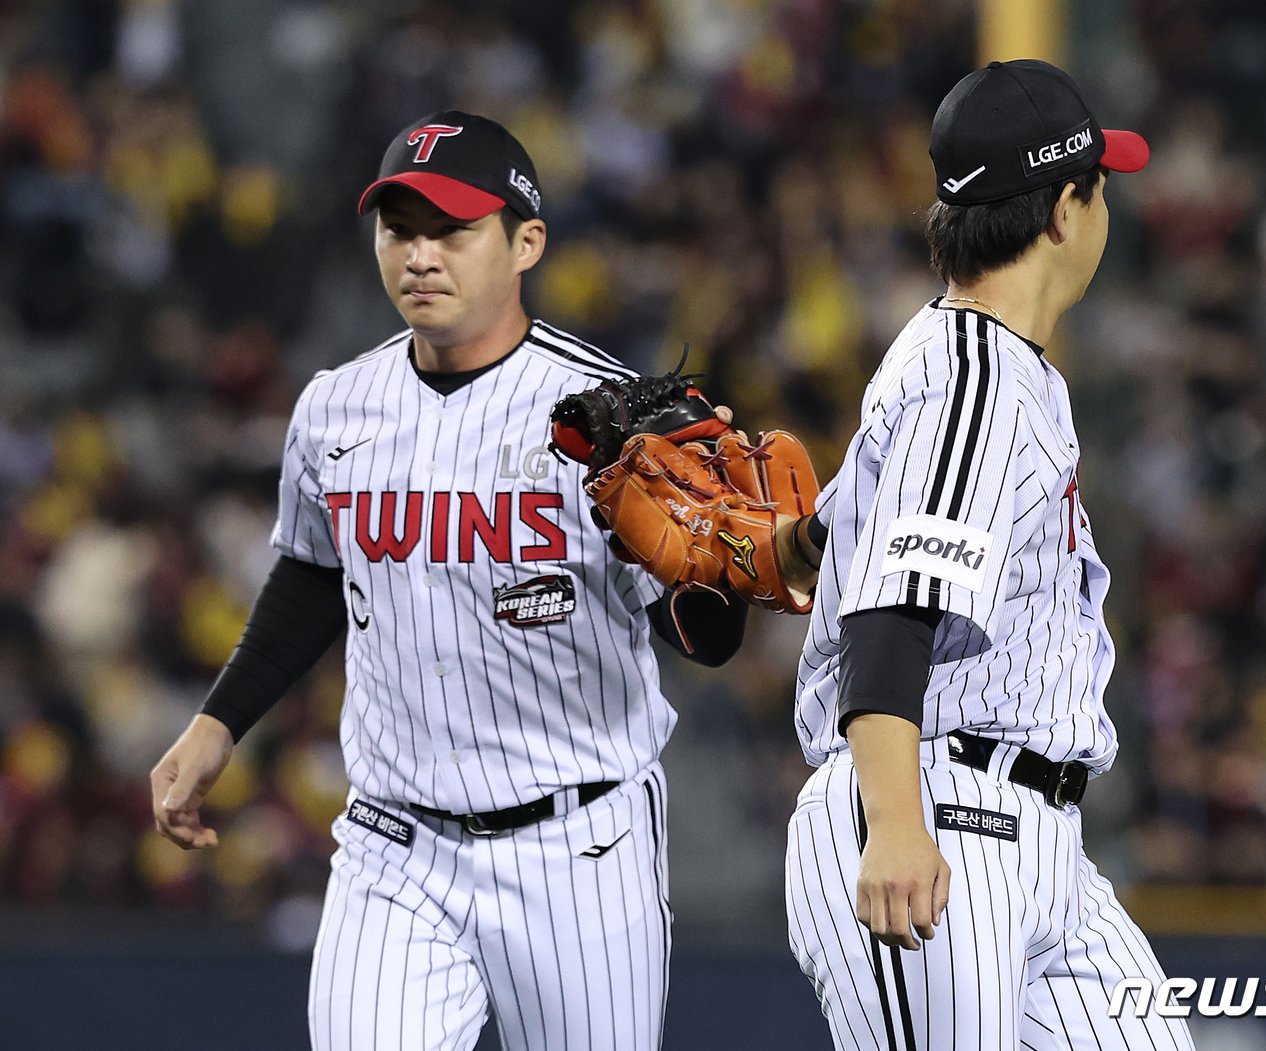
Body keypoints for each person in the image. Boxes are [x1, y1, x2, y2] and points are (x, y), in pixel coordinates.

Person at [149, 111, 746, 1051]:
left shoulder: (610, 418)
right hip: (394, 844)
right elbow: (313, 574)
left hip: (577, 843)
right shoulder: (335, 405)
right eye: (400, 229)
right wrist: (217, 722)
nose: (420, 255)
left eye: (452, 230)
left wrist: (691, 566)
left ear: (526, 243)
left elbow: (704, 635)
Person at [781, 60, 1197, 1050]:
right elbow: (890, 613)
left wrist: (788, 550)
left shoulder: (980, 369)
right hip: (932, 806)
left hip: (1037, 835)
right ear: (1063, 209)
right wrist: (891, 820)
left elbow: (821, 551)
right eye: (1098, 186)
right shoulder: (970, 379)